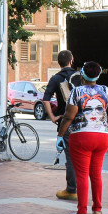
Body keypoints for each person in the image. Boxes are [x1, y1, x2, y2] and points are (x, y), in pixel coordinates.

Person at [57, 61, 108, 214]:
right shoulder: (106, 91)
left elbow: (68, 117)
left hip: (81, 137)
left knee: (82, 174)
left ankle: (81, 211)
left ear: (82, 76)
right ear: (98, 75)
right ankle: (98, 209)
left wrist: (60, 135)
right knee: (96, 174)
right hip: (102, 136)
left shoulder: (76, 92)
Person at [43, 50, 80, 201]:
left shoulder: (56, 78)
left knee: (71, 157)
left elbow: (46, 99)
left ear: (59, 63)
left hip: (66, 122)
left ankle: (72, 189)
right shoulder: (79, 76)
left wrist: (52, 117)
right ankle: (84, 189)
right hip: (82, 122)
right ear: (72, 60)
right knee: (83, 157)